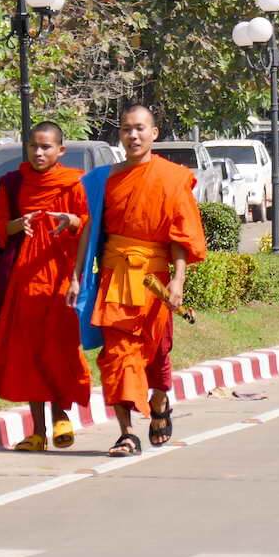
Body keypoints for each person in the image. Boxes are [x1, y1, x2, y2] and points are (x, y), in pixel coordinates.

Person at [75, 105, 206, 457]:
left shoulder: (172, 178)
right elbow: (87, 230)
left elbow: (180, 237)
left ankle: (160, 401)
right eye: (126, 129)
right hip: (116, 278)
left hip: (156, 280)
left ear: (154, 133)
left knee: (157, 351)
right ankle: (127, 434)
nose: (132, 136)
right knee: (117, 356)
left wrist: (178, 281)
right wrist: (77, 276)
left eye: (139, 129)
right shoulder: (102, 180)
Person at [0, 122, 92, 452]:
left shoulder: (73, 183)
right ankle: (38, 431)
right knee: (30, 355)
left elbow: (86, 226)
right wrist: (19, 223)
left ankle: (61, 416)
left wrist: (70, 222)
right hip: (25, 279)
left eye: (46, 147)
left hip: (60, 277)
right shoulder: (14, 183)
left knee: (60, 349)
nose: (39, 153)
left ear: (61, 151)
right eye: (34, 147)